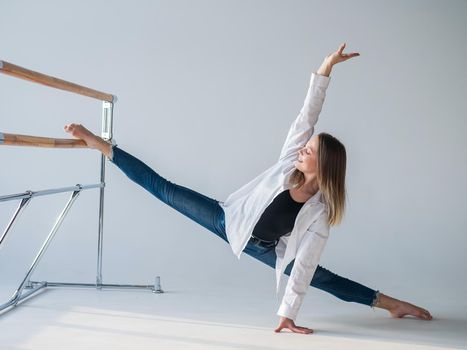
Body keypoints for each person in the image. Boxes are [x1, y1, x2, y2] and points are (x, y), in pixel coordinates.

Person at [64, 43, 432, 335]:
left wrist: (286, 315)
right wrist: (325, 68)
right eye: (306, 145)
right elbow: (307, 115)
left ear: (325, 167)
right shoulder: (290, 161)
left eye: (311, 150)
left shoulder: (320, 212)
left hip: (264, 248)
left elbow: (302, 268)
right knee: (162, 188)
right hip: (228, 218)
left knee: (321, 276)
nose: (303, 148)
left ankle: (389, 303)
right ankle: (101, 144)